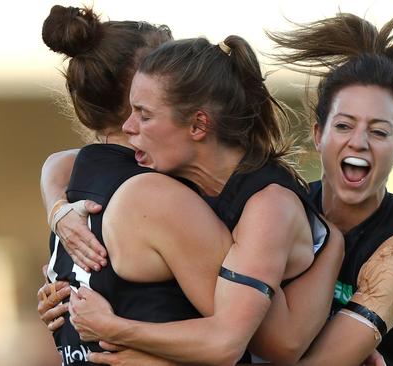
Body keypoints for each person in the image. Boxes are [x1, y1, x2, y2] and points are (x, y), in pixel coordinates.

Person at [37, 5, 344, 366]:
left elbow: (251, 340)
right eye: (136, 110)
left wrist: (116, 331)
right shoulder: (154, 192)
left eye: (145, 113)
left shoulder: (95, 179)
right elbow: (257, 342)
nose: (135, 124)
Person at [264, 10, 393, 365]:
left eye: (379, 132)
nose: (359, 142)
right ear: (319, 135)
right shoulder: (284, 206)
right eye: (345, 126)